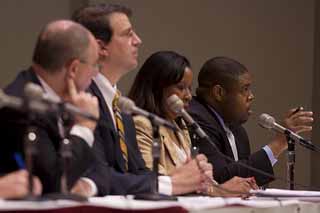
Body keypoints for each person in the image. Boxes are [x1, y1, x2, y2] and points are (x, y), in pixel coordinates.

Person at [72, 3, 213, 196]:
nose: (138, 40)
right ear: (101, 46)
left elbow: (137, 172)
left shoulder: (122, 107)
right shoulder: (81, 99)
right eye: (128, 34)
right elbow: (99, 175)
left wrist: (184, 177)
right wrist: (172, 183)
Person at [128, 50, 258, 196]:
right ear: (157, 88)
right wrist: (221, 191)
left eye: (189, 88)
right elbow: (153, 183)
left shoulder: (180, 126)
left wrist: (224, 187)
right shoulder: (142, 124)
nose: (189, 96)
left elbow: (199, 185)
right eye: (181, 88)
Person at [0, 20, 100, 194]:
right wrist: (84, 127)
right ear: (74, 69)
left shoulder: (67, 101)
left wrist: (88, 185)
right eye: (94, 65)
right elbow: (54, 181)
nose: (96, 73)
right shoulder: (21, 105)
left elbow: (99, 169)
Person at [187, 56, 313, 186]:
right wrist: (278, 143)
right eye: (245, 89)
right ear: (219, 92)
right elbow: (220, 180)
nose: (251, 96)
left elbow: (246, 182)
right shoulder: (195, 119)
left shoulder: (237, 130)